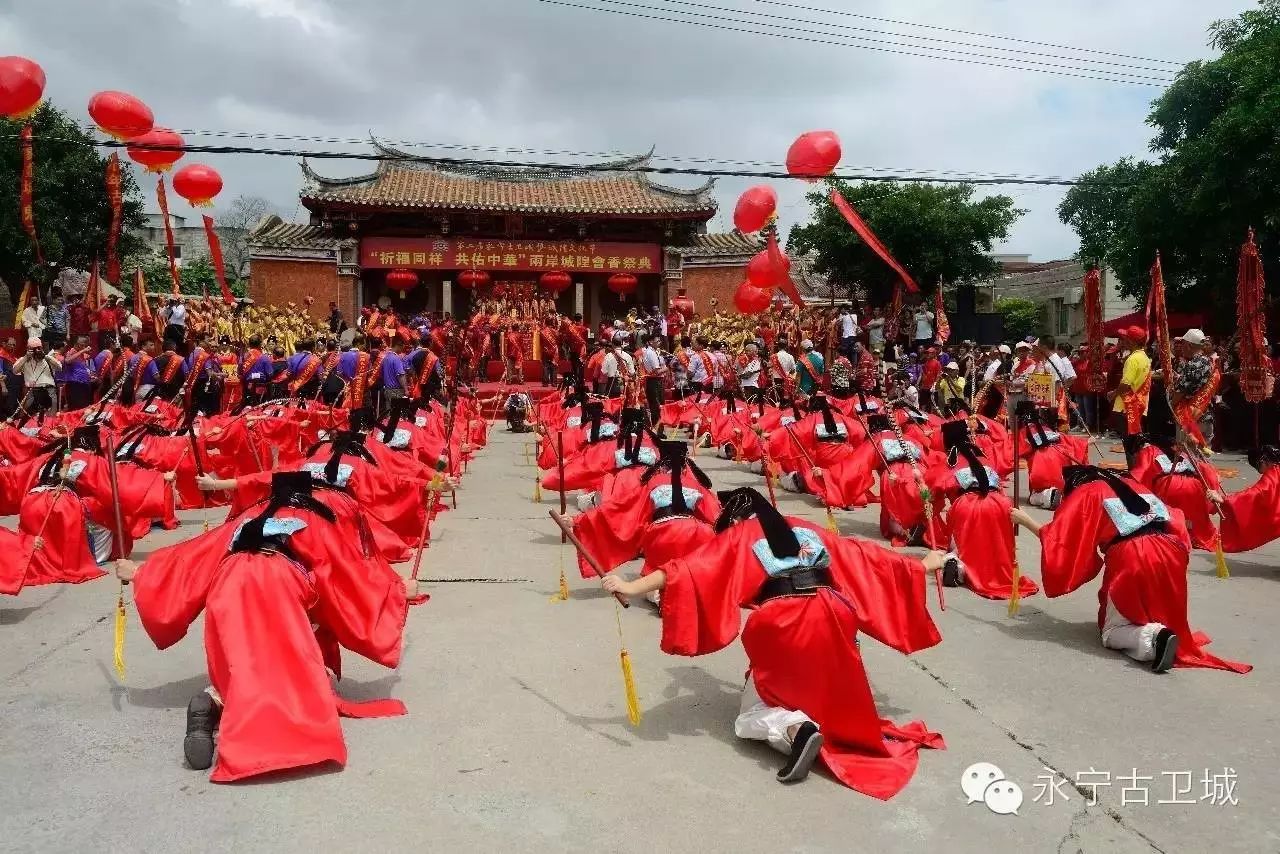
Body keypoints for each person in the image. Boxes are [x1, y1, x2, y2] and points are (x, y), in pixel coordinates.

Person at [602, 487, 946, 796]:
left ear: (734, 519)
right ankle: (817, 713)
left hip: (781, 619)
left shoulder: (740, 536)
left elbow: (687, 570)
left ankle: (794, 729)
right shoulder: (806, 528)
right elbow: (868, 558)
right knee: (819, 676)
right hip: (836, 612)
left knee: (751, 712)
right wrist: (921, 566)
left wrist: (630, 586)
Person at [115, 471, 415, 780]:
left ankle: (215, 699)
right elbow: (349, 579)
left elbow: (194, 558)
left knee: (240, 665)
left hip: (227, 581)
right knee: (298, 688)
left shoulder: (247, 516)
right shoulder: (323, 517)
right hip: (280, 580)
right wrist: (398, 591)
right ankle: (258, 726)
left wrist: (140, 573)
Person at [1013, 465, 1249, 674]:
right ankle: (1161, 629)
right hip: (1172, 549)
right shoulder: (1136, 485)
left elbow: (1061, 540)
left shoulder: (1088, 492)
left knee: (1112, 630)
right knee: (1152, 603)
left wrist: (1025, 520)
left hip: (1133, 554)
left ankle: (1154, 639)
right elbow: (1176, 518)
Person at [1169, 328, 1216, 451]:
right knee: (1203, 457)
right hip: (1206, 414)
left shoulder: (1192, 364)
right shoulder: (1209, 362)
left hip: (1190, 417)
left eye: (1183, 344)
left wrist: (1172, 406)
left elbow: (1181, 392)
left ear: (1189, 345)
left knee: (1188, 457)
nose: (1181, 348)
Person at [1109, 326, 1152, 439]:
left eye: (1125, 338)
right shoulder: (1145, 357)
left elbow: (1126, 384)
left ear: (1132, 341)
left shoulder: (1133, 359)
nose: (1123, 341)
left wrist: (1113, 394)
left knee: (1130, 445)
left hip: (1127, 406)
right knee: (1135, 444)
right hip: (1139, 405)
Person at [12, 338, 61, 419]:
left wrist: (45, 357)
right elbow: (15, 371)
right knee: (28, 418)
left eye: (39, 348)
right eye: (33, 349)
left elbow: (59, 368)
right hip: (32, 391)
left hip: (49, 390)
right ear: (28, 348)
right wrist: (25, 358)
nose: (37, 350)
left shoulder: (48, 358)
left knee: (50, 418)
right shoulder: (23, 359)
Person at [59, 336, 94, 411]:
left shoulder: (84, 356)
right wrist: (82, 351)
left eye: (84, 345)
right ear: (75, 344)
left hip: (84, 384)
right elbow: (67, 360)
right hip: (75, 385)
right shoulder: (72, 351)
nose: (82, 347)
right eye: (80, 345)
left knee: (84, 408)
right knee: (76, 409)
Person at [640, 334, 667, 426]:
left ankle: (657, 427)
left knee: (658, 405)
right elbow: (657, 371)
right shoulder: (650, 353)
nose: (659, 342)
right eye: (657, 341)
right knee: (656, 406)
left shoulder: (654, 352)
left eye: (660, 341)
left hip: (656, 381)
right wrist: (669, 367)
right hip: (654, 381)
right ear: (651, 342)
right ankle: (656, 428)